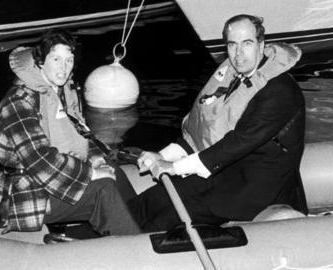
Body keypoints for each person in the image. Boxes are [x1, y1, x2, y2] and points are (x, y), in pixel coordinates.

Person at [130, 14, 308, 232]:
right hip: (226, 173)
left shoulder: (279, 92)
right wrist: (162, 156)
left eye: (247, 44)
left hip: (259, 190)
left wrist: (174, 168)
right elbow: (205, 130)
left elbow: (238, 142)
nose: (238, 54)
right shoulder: (233, 77)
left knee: (172, 216)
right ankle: (98, 238)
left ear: (261, 46)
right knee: (156, 198)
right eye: (232, 45)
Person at [0, 29, 141, 236]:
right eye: (56, 59)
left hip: (47, 176)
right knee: (103, 189)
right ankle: (133, 250)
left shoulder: (61, 91)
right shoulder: (18, 103)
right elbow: (39, 159)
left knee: (113, 170)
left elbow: (80, 133)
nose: (63, 69)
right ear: (40, 61)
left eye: (69, 60)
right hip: (20, 191)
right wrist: (90, 173)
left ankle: (139, 228)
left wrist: (96, 159)